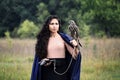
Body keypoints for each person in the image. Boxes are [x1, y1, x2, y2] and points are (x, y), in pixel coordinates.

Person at [30, 15, 81, 80]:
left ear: (59, 25)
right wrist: (44, 61)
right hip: (46, 71)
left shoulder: (64, 38)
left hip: (61, 71)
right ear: (47, 25)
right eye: (52, 24)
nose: (54, 26)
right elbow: (39, 58)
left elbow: (75, 56)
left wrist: (75, 46)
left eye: (56, 24)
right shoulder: (42, 39)